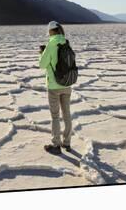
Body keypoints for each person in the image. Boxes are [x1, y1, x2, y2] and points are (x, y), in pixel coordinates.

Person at [39, 20, 73, 155]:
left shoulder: (51, 44)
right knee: (67, 114)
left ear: (51, 31)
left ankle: (56, 145)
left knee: (55, 116)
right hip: (67, 84)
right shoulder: (66, 42)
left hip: (54, 86)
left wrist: (42, 53)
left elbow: (42, 64)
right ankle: (67, 143)